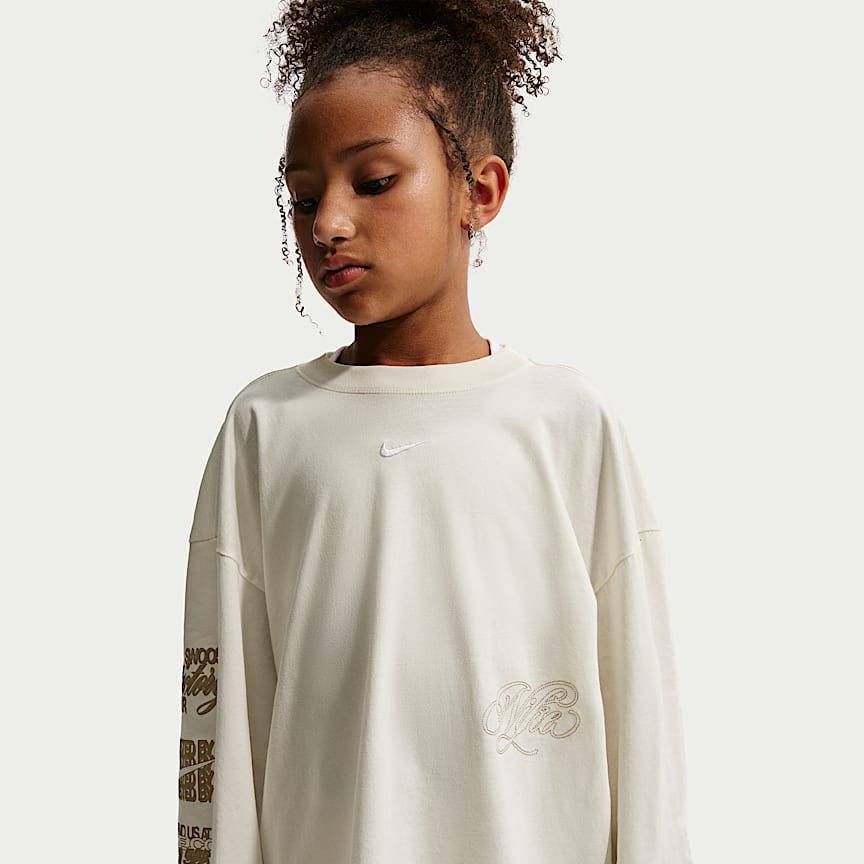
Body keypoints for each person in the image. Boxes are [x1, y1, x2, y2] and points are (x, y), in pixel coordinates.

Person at [177, 1, 695, 862]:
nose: (327, 224)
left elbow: (645, 729)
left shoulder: (568, 425)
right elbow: (220, 727)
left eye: (374, 181)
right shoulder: (266, 430)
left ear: (478, 192)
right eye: (303, 197)